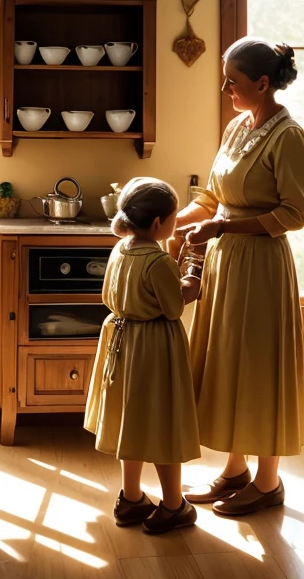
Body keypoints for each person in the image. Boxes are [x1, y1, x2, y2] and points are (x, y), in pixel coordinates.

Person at [178, 37, 304, 516]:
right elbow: (212, 198)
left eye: (232, 81)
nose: (225, 88)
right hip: (225, 263)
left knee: (260, 367)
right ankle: (235, 470)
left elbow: (294, 213)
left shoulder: (289, 137)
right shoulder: (237, 128)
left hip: (261, 266)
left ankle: (269, 480)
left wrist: (223, 227)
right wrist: (156, 221)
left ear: (263, 84)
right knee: (229, 362)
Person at [83, 177, 203, 534]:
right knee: (163, 424)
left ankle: (131, 497)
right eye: (174, 218)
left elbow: (109, 294)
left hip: (121, 340)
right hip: (154, 348)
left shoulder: (121, 249)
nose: (176, 222)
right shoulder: (159, 260)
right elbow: (172, 307)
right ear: (157, 224)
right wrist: (192, 277)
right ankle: (172, 504)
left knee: (130, 421)